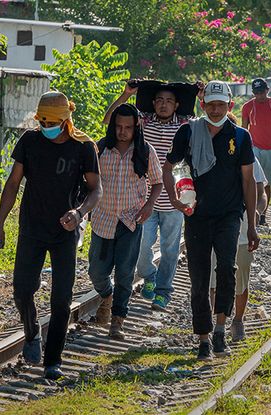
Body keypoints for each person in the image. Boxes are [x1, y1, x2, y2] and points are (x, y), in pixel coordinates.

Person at [0, 91, 102, 380]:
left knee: (61, 299)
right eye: (41, 120)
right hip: (32, 228)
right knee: (22, 289)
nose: (45, 125)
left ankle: (53, 360)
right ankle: (31, 332)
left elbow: (95, 189)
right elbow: (13, 184)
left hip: (65, 230)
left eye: (51, 121)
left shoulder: (84, 147)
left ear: (66, 120)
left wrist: (78, 213)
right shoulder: (29, 141)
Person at [163, 80, 259, 360]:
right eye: (211, 104)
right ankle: (203, 338)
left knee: (226, 270)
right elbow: (168, 168)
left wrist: (252, 224)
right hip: (197, 216)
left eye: (221, 105)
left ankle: (220, 329)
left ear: (230, 106)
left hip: (229, 215)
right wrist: (174, 199)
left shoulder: (240, 137)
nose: (216, 110)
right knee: (199, 278)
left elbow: (248, 180)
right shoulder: (188, 133)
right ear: (202, 105)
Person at [103, 82, 192, 312]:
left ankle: (163, 292)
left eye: (169, 101)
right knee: (143, 247)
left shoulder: (185, 125)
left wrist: (201, 98)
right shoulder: (144, 121)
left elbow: (204, 127)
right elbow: (109, 120)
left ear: (177, 105)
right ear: (153, 103)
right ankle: (149, 275)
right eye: (160, 100)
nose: (164, 105)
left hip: (174, 199)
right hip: (146, 200)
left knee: (170, 249)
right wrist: (126, 94)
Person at [89, 104, 163, 339]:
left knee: (124, 273)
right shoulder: (100, 149)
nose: (123, 132)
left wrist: (149, 205)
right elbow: (88, 181)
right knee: (96, 272)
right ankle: (106, 295)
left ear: (136, 128)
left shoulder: (144, 151)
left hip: (131, 221)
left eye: (128, 127)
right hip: (102, 218)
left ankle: (118, 320)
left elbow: (158, 182)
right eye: (119, 126)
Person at [209, 159, 268, 342]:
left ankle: (238, 320)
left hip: (242, 230)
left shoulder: (245, 152)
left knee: (241, 278)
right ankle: (217, 327)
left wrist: (257, 211)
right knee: (213, 280)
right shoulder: (205, 150)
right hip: (213, 228)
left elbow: (261, 193)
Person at [241, 78, 271, 225]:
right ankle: (250, 212)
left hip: (270, 149)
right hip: (253, 148)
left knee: (267, 184)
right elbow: (244, 129)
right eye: (256, 93)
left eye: (261, 92)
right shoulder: (248, 107)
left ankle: (262, 214)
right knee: (252, 182)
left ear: (267, 90)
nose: (259, 95)